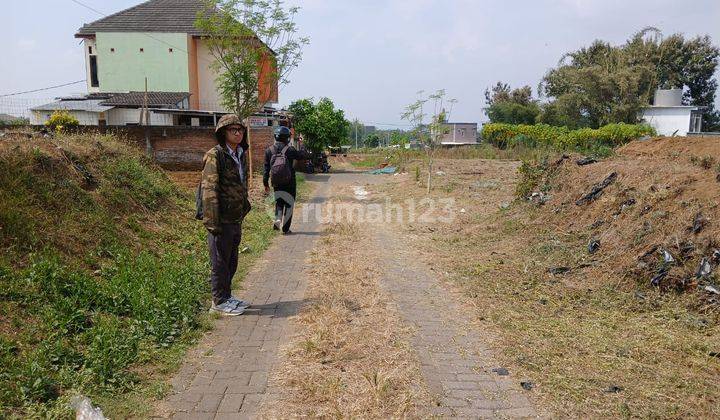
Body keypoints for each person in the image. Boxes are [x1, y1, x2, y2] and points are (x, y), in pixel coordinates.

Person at [201, 114, 252, 316]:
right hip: (220, 219)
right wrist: (212, 221)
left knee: (231, 260)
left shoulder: (239, 153)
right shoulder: (215, 155)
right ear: (223, 133)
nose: (238, 133)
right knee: (219, 262)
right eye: (233, 130)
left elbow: (241, 184)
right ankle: (219, 301)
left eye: (240, 130)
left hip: (235, 217)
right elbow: (209, 189)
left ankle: (227, 296)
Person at [263, 126, 308, 234]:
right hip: (290, 182)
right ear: (287, 138)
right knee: (289, 204)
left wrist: (265, 183)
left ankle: (277, 220)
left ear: (275, 137)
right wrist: (302, 145)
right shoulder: (290, 150)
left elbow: (266, 169)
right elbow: (302, 156)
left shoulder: (269, 151)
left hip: (276, 182)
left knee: (279, 202)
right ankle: (286, 229)